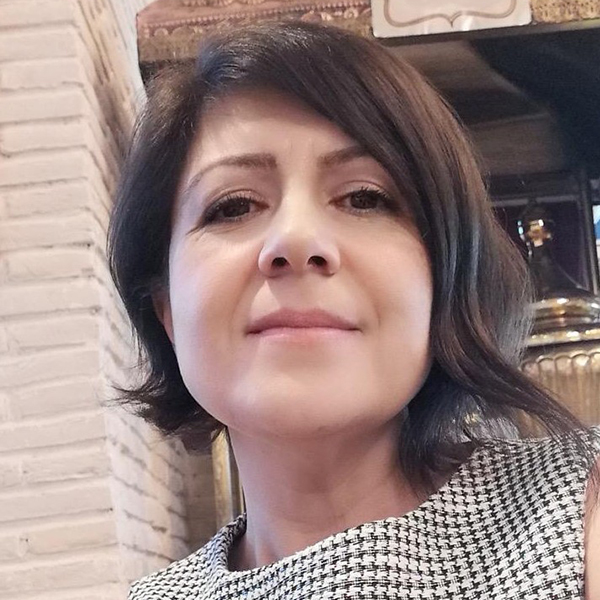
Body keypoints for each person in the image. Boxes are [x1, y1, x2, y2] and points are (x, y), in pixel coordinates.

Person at [107, 20, 600, 599]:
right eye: (234, 205)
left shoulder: (580, 510)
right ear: (165, 307)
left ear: (444, 276)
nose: (295, 240)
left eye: (365, 197)